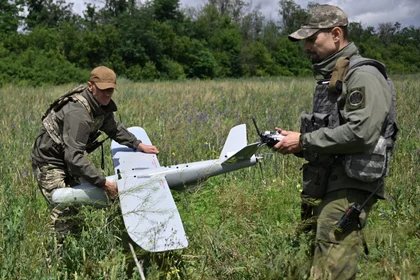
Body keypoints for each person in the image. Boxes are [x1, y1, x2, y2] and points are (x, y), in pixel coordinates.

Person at [273, 4, 397, 280]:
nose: (306, 47)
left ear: (336, 34)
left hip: (347, 187)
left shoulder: (362, 75)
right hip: (329, 183)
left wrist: (304, 141)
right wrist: (294, 142)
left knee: (332, 269)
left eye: (311, 38)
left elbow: (361, 133)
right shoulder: (336, 75)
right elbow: (336, 132)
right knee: (317, 262)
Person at [32, 66, 159, 235]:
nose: (107, 94)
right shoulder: (78, 114)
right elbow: (74, 157)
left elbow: (113, 128)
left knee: (84, 205)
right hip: (50, 162)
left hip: (68, 158)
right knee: (66, 210)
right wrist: (104, 183)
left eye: (110, 90)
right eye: (103, 90)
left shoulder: (100, 105)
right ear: (90, 86)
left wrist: (137, 144)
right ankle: (54, 258)